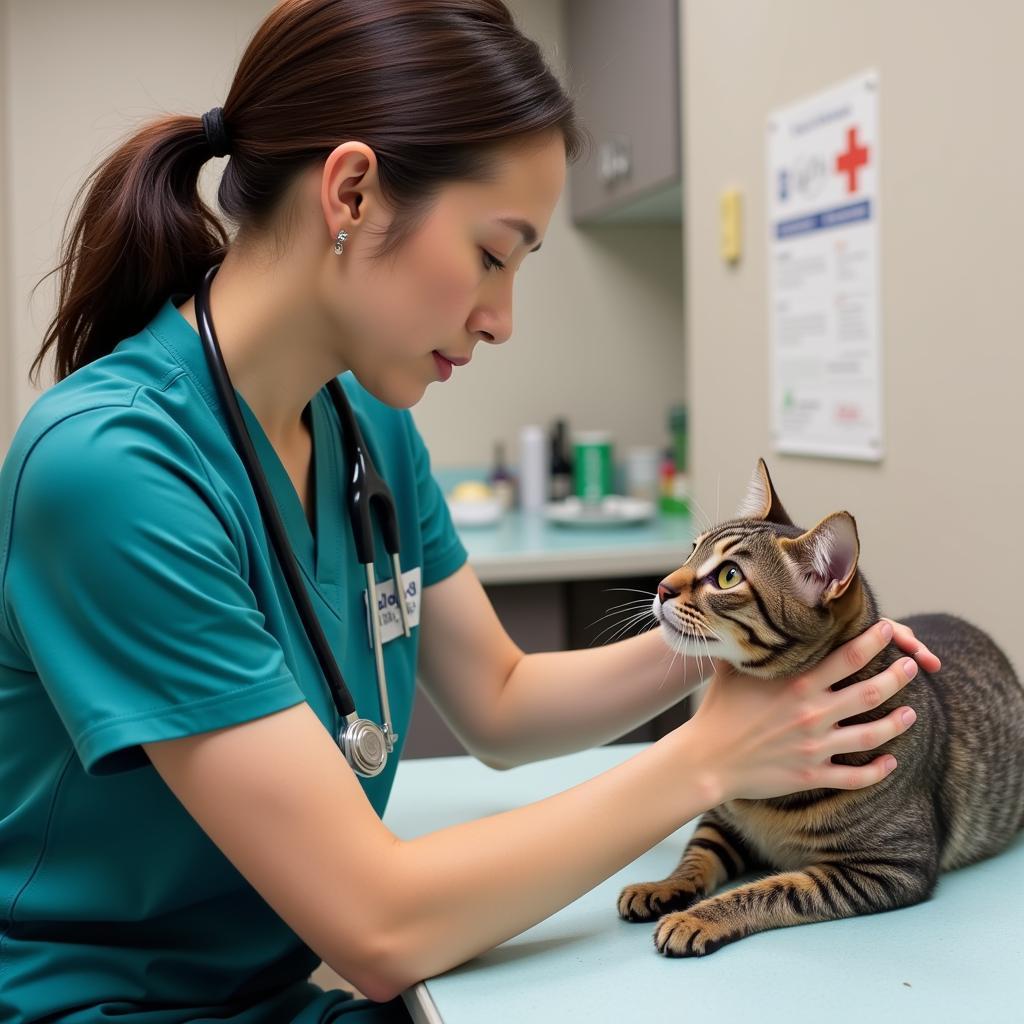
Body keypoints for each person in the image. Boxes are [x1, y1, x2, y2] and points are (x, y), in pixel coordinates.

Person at [0, 1, 938, 1021]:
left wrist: (774, 657)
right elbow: (376, 924)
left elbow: (497, 696)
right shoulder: (109, 468)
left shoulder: (364, 423)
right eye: (495, 256)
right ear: (351, 192)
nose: (501, 320)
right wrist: (707, 757)